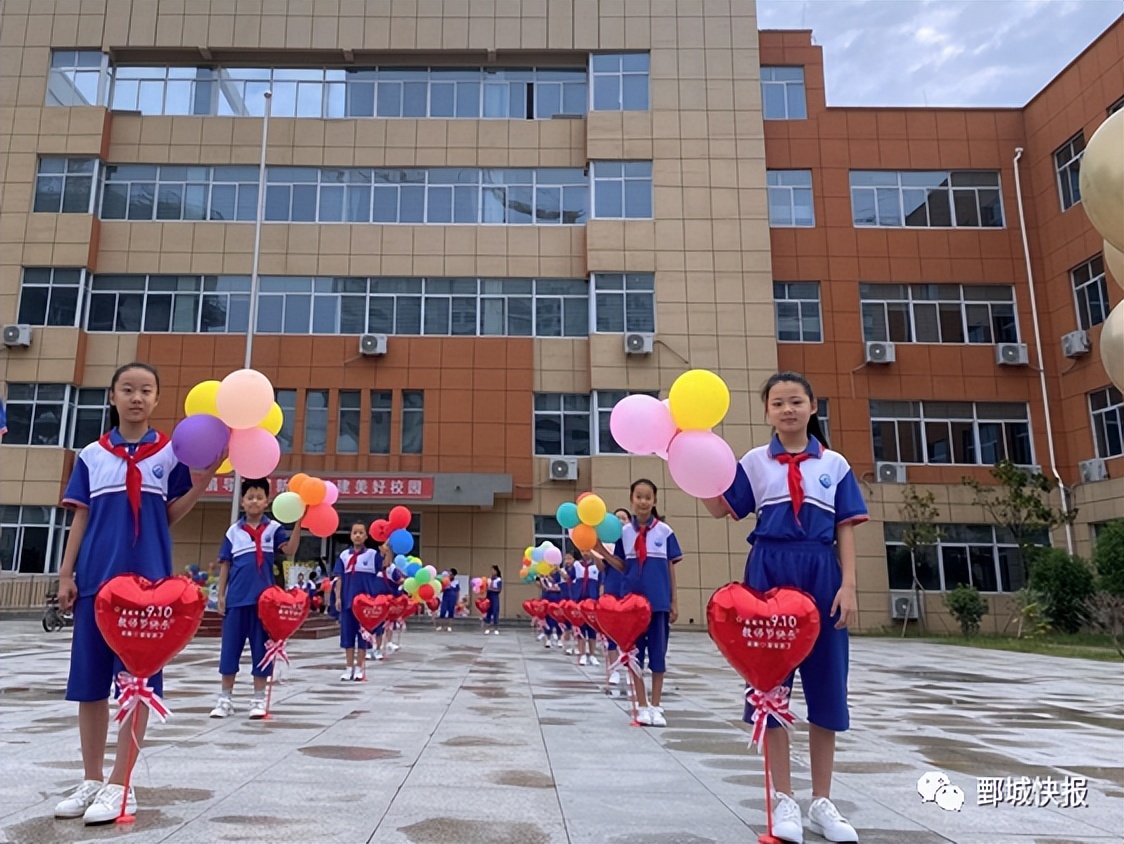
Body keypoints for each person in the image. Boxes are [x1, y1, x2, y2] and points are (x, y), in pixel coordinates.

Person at [703, 371, 867, 844]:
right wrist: (695, 462)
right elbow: (721, 510)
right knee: (770, 687)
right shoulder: (754, 462)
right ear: (767, 411)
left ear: (813, 406)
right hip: (768, 574)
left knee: (827, 685)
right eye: (778, 403)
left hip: (822, 575)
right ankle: (784, 799)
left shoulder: (833, 464)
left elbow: (846, 529)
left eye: (796, 401)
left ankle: (821, 801)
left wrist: (849, 585)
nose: (788, 409)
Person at [53, 362, 218, 825]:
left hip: (148, 592)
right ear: (112, 396)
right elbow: (81, 517)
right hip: (95, 586)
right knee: (89, 685)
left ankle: (122, 784)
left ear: (157, 399)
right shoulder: (91, 454)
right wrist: (66, 574)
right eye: (127, 389)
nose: (136, 397)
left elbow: (166, 516)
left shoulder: (171, 453)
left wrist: (203, 481)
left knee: (136, 686)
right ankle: (91, 778)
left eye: (146, 390)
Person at [210, 478, 302, 720]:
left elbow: (290, 550)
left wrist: (300, 521)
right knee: (230, 650)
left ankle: (258, 698)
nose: (254, 501)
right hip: (236, 601)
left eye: (259, 497)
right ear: (242, 501)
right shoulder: (233, 531)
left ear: (267, 501)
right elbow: (225, 565)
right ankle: (225, 698)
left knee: (262, 652)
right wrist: (221, 595)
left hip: (264, 605)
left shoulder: (274, 529)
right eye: (250, 497)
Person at [596, 479, 681, 728]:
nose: (643, 502)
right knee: (633, 655)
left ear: (654, 500)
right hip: (632, 605)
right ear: (631, 499)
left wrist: (674, 601)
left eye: (647, 497)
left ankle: (656, 705)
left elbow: (670, 567)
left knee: (658, 656)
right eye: (638, 497)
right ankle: (641, 705)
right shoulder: (624, 533)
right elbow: (623, 566)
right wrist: (602, 550)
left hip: (658, 604)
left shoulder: (665, 532)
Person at [334, 523, 381, 681]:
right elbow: (339, 578)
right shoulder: (343, 556)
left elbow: (385, 566)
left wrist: (389, 551)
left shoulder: (373, 555)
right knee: (347, 636)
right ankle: (348, 668)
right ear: (351, 535)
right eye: (355, 532)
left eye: (361, 532)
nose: (358, 535)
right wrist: (339, 597)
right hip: (348, 602)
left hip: (365, 605)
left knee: (363, 637)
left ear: (366, 536)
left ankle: (360, 667)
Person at [573, 552, 600, 666]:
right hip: (579, 601)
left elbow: (601, 583)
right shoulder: (577, 566)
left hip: (592, 602)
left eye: (588, 551)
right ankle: (582, 654)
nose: (585, 554)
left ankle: (592, 655)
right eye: (583, 551)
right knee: (581, 629)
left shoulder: (597, 566)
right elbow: (568, 580)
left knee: (592, 629)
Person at [538, 565, 563, 647]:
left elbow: (559, 586)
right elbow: (544, 587)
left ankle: (559, 638)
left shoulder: (560, 574)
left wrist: (549, 577)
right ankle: (548, 639)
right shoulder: (544, 574)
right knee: (547, 619)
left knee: (558, 619)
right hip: (547, 599)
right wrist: (540, 580)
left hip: (557, 599)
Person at [482, 565, 502, 634]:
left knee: (495, 611)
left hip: (494, 596)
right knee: (488, 612)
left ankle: (496, 628)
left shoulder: (499, 580)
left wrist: (491, 589)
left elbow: (499, 590)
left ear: (496, 571)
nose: (492, 571)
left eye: (493, 570)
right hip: (489, 596)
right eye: (491, 570)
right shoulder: (489, 579)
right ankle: (487, 628)